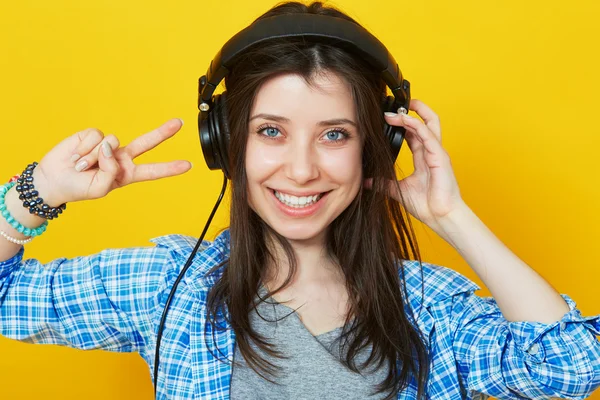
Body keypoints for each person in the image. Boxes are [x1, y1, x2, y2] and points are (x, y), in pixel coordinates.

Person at [1, 1, 599, 399]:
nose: (303, 168)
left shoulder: (430, 308)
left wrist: (452, 217)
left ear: (379, 146)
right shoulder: (167, 286)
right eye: (271, 131)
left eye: (334, 134)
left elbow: (570, 367)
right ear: (226, 142)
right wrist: (41, 193)